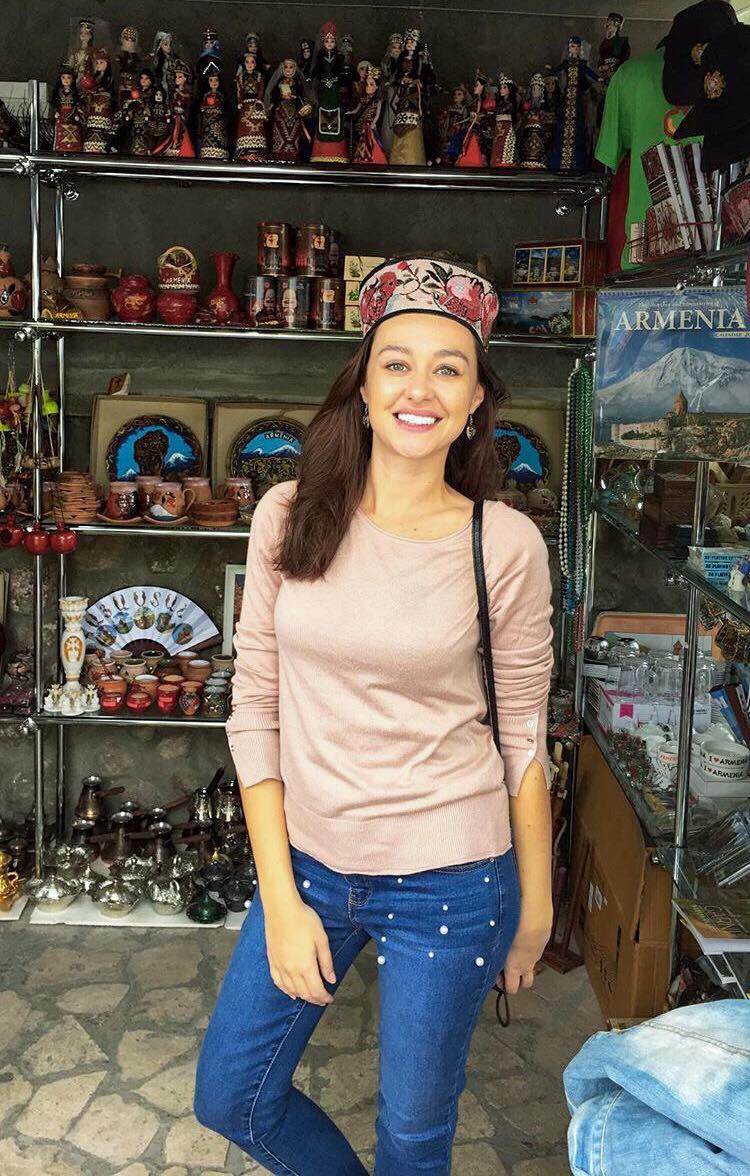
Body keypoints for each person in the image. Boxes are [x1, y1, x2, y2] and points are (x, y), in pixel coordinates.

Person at [194, 253, 555, 1174]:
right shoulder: (287, 516)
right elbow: (255, 709)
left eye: (448, 369)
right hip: (310, 864)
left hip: (451, 879)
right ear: (362, 387)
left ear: (475, 401)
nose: (418, 389)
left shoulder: (504, 544)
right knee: (232, 1095)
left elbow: (523, 738)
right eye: (397, 363)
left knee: (413, 1138)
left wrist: (537, 909)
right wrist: (280, 897)